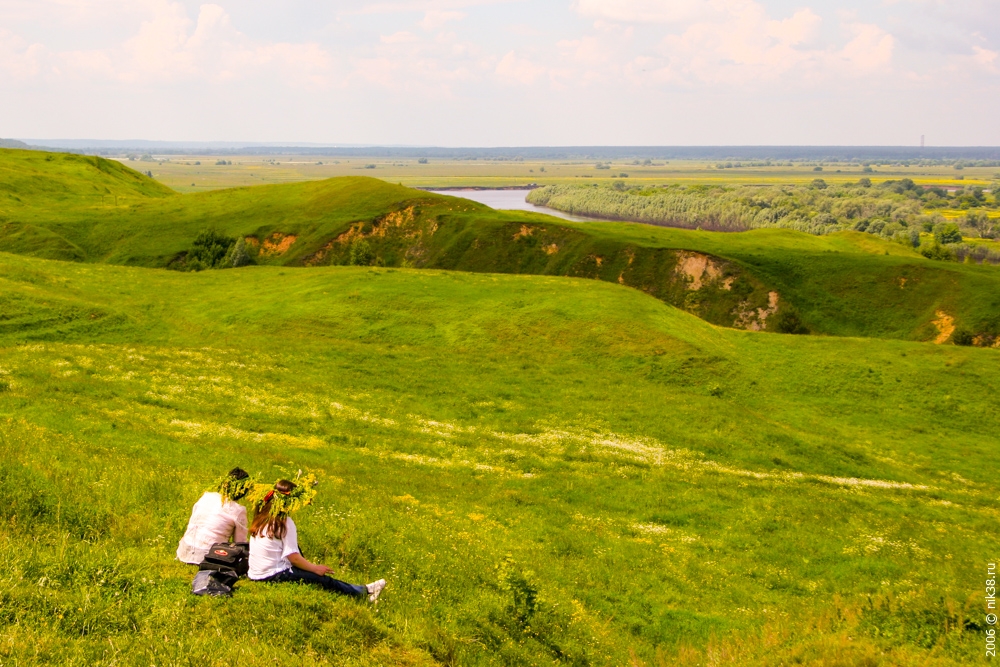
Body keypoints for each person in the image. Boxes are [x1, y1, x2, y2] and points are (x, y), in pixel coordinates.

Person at [247, 479, 386, 602]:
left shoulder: (261, 517)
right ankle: (363, 592)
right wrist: (315, 568)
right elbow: (293, 558)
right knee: (321, 579)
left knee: (306, 567)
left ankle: (362, 591)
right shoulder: (284, 522)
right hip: (272, 574)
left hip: (255, 573)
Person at [176, 467, 253, 565]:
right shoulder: (238, 510)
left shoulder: (206, 496)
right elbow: (240, 543)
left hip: (185, 549)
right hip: (211, 555)